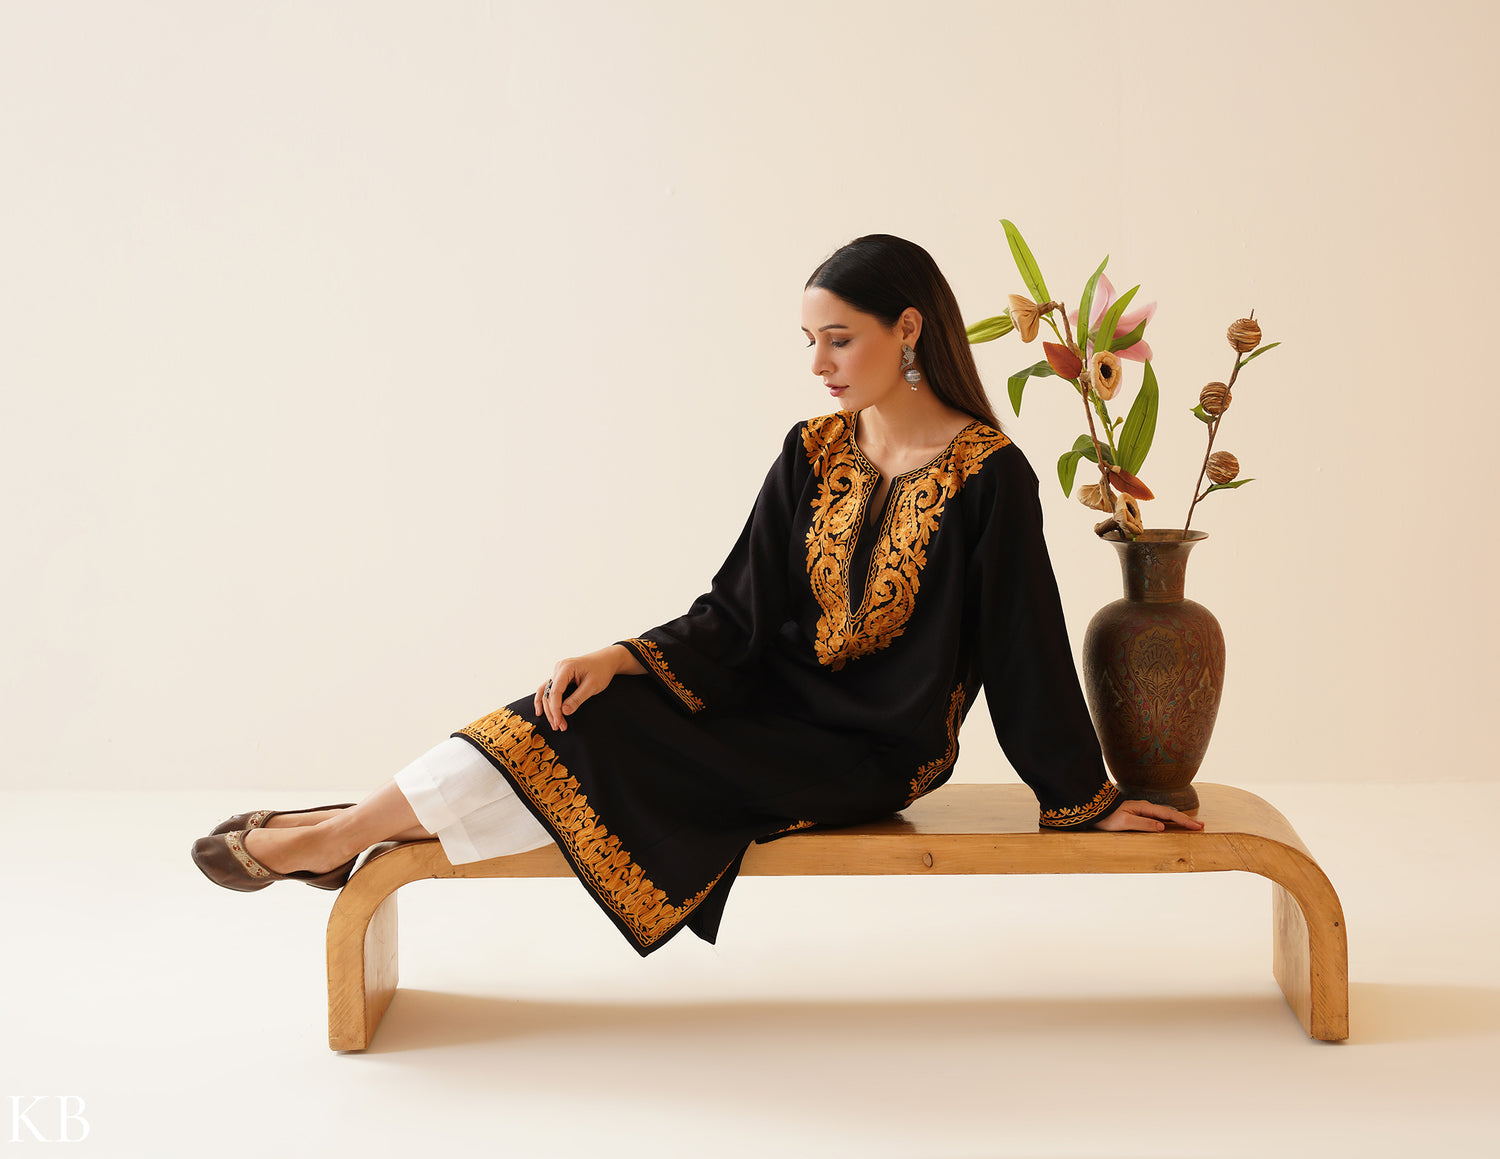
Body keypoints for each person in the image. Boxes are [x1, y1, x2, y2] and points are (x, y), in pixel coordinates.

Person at [191, 234, 1202, 953]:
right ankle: (345, 831)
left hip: (870, 750)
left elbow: (1024, 645)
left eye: (838, 338)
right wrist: (622, 656)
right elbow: (739, 611)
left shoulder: (990, 475)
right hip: (765, 702)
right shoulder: (812, 451)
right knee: (585, 710)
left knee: (604, 750)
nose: (819, 364)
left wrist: (1085, 797)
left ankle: (337, 830)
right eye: (808, 340)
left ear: (907, 329)